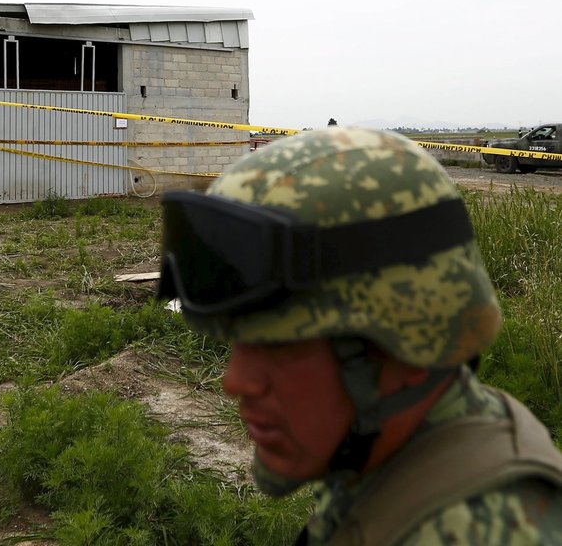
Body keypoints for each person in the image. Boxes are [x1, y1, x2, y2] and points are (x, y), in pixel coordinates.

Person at [157, 127, 562, 545]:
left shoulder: (483, 530)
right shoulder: (403, 460)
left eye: (280, 346)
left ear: (412, 339)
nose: (235, 383)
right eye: (239, 344)